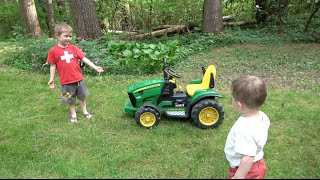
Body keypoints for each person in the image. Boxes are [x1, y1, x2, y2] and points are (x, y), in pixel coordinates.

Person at [47, 22, 104, 123]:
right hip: (66, 81)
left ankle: (85, 111)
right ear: (57, 35)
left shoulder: (73, 48)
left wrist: (95, 67)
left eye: (70, 36)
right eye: (66, 36)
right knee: (69, 98)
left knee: (82, 96)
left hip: (78, 79)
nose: (69, 38)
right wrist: (51, 79)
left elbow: (84, 58)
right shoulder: (53, 51)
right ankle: (73, 114)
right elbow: (52, 65)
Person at [224, 75, 270, 179]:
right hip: (258, 163)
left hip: (247, 169)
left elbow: (248, 158)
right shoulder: (263, 116)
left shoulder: (244, 128)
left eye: (232, 98)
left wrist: (238, 176)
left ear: (239, 105)